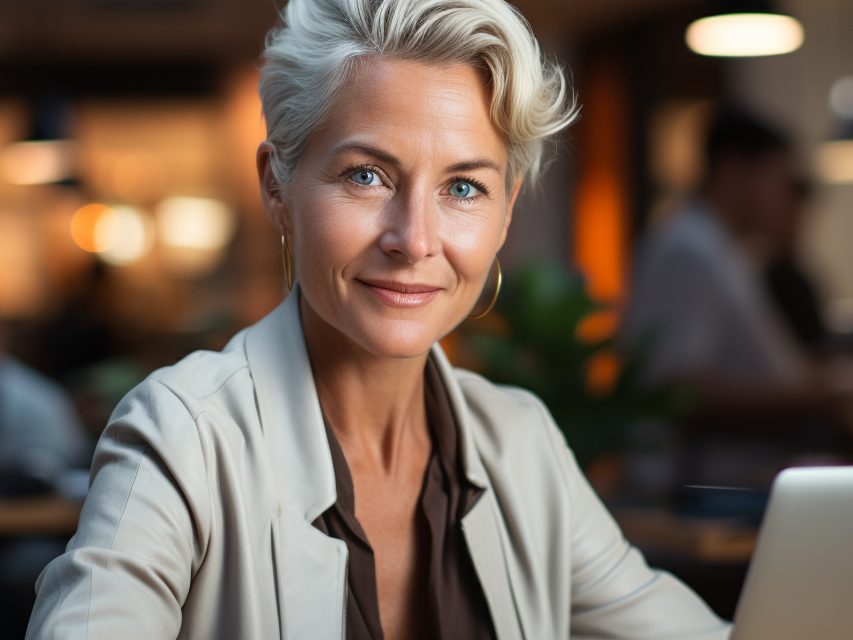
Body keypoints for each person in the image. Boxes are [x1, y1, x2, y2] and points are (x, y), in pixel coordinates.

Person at [27, 1, 730, 638]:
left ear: (505, 211)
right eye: (366, 175)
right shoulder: (184, 435)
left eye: (463, 187)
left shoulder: (520, 444)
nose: (414, 240)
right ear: (277, 185)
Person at [621, 109, 849, 487]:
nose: (782, 197)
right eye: (776, 180)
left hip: (726, 486)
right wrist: (819, 397)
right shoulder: (690, 250)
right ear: (733, 171)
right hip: (698, 494)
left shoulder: (724, 249)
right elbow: (680, 393)